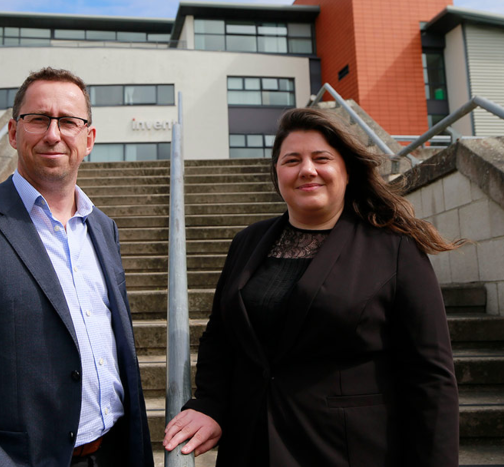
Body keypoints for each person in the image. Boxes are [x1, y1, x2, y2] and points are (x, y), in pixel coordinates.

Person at [163, 107, 460, 467]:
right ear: (277, 173)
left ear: (346, 170)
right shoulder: (248, 241)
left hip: (346, 451)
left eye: (322, 158)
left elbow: (430, 374)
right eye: (292, 160)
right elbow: (221, 338)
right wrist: (208, 404)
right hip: (250, 447)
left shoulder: (394, 248)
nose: (307, 170)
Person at [0, 68, 153, 467]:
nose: (53, 134)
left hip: (115, 452)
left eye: (69, 121)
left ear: (88, 139)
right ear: (13, 132)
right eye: (38, 119)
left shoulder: (103, 227)